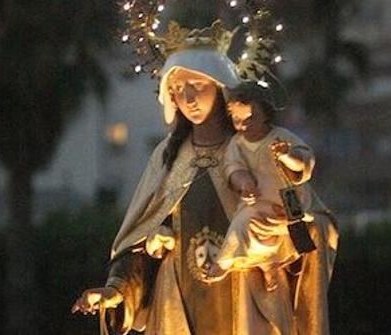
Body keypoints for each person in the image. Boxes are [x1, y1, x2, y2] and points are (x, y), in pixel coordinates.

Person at [71, 31, 339, 334]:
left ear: (221, 88)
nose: (188, 98)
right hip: (177, 303)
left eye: (198, 86)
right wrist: (116, 291)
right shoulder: (168, 157)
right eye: (178, 88)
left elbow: (309, 222)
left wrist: (285, 235)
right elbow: (139, 243)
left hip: (247, 302)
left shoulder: (252, 148)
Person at [205, 81, 331, 293]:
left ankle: (274, 264)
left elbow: (304, 161)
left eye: (250, 118)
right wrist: (244, 183)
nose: (243, 125)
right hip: (258, 204)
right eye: (237, 120)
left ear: (266, 114)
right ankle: (227, 262)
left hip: (289, 205)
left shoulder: (280, 138)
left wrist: (286, 155)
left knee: (293, 236)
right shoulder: (237, 143)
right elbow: (233, 168)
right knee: (242, 224)